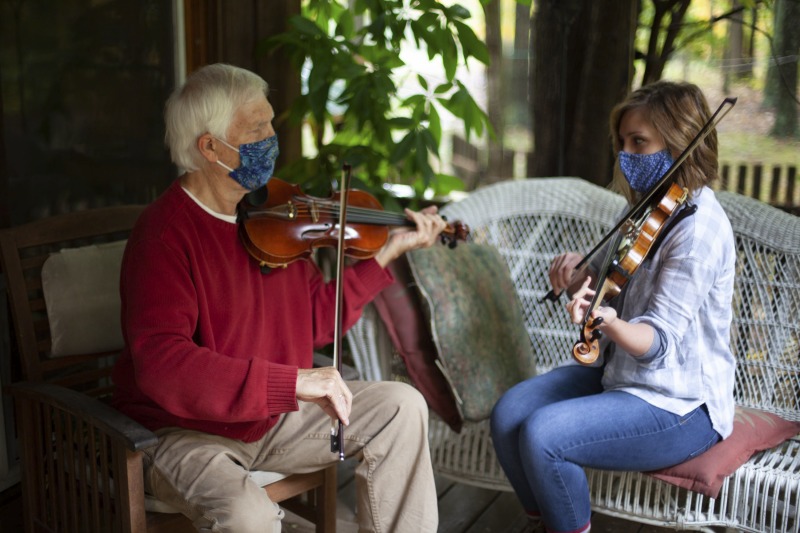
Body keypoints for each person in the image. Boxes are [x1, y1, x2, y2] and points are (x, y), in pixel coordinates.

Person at [111, 63, 443, 533]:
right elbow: (163, 364)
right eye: (257, 128)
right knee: (247, 516)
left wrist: (388, 251)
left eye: (270, 122)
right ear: (210, 147)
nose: (272, 136)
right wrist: (291, 383)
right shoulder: (163, 236)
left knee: (402, 406)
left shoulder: (270, 223)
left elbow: (314, 320)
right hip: (187, 433)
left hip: (271, 419)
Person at [490, 81, 737, 533]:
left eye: (638, 142)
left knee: (544, 435)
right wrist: (574, 277)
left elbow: (657, 342)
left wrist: (606, 320)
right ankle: (549, 523)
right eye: (622, 142)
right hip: (619, 374)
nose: (626, 154)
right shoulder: (648, 210)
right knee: (509, 415)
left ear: (681, 141)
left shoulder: (698, 232)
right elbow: (603, 281)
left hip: (678, 404)